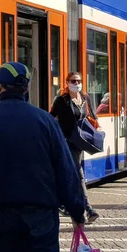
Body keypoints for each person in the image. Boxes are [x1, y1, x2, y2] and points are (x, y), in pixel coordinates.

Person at [0, 62, 86, 252]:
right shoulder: (45, 120)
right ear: (26, 88)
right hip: (41, 213)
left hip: (0, 212)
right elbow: (66, 169)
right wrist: (76, 210)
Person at [50, 72, 100, 223]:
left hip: (79, 142)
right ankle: (88, 208)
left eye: (78, 81)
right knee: (78, 174)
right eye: (73, 81)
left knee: (72, 174)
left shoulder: (84, 98)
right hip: (66, 141)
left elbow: (92, 116)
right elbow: (51, 117)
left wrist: (98, 129)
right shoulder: (62, 100)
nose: (76, 83)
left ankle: (65, 204)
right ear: (67, 83)